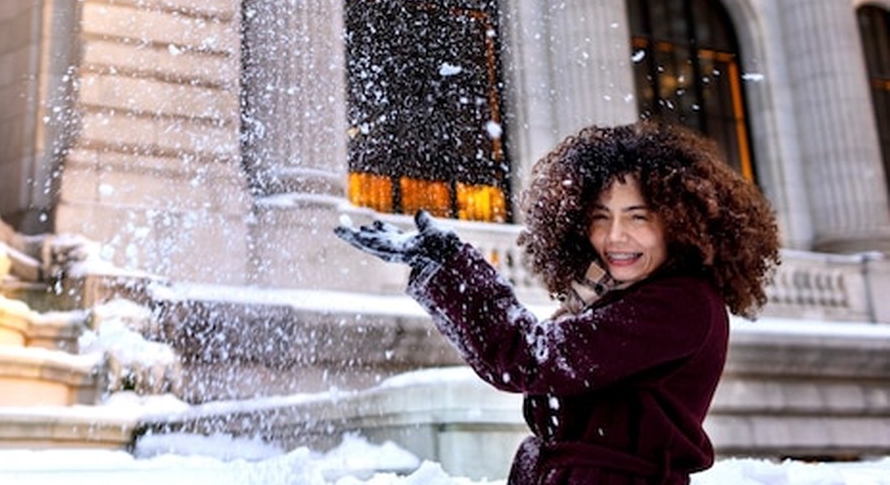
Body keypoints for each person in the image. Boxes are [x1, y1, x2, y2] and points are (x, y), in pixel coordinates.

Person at [335, 121, 781, 484]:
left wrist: (452, 265)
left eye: (638, 218)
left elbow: (530, 358)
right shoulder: (624, 295)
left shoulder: (681, 303)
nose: (615, 236)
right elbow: (536, 370)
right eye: (600, 217)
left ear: (680, 223)